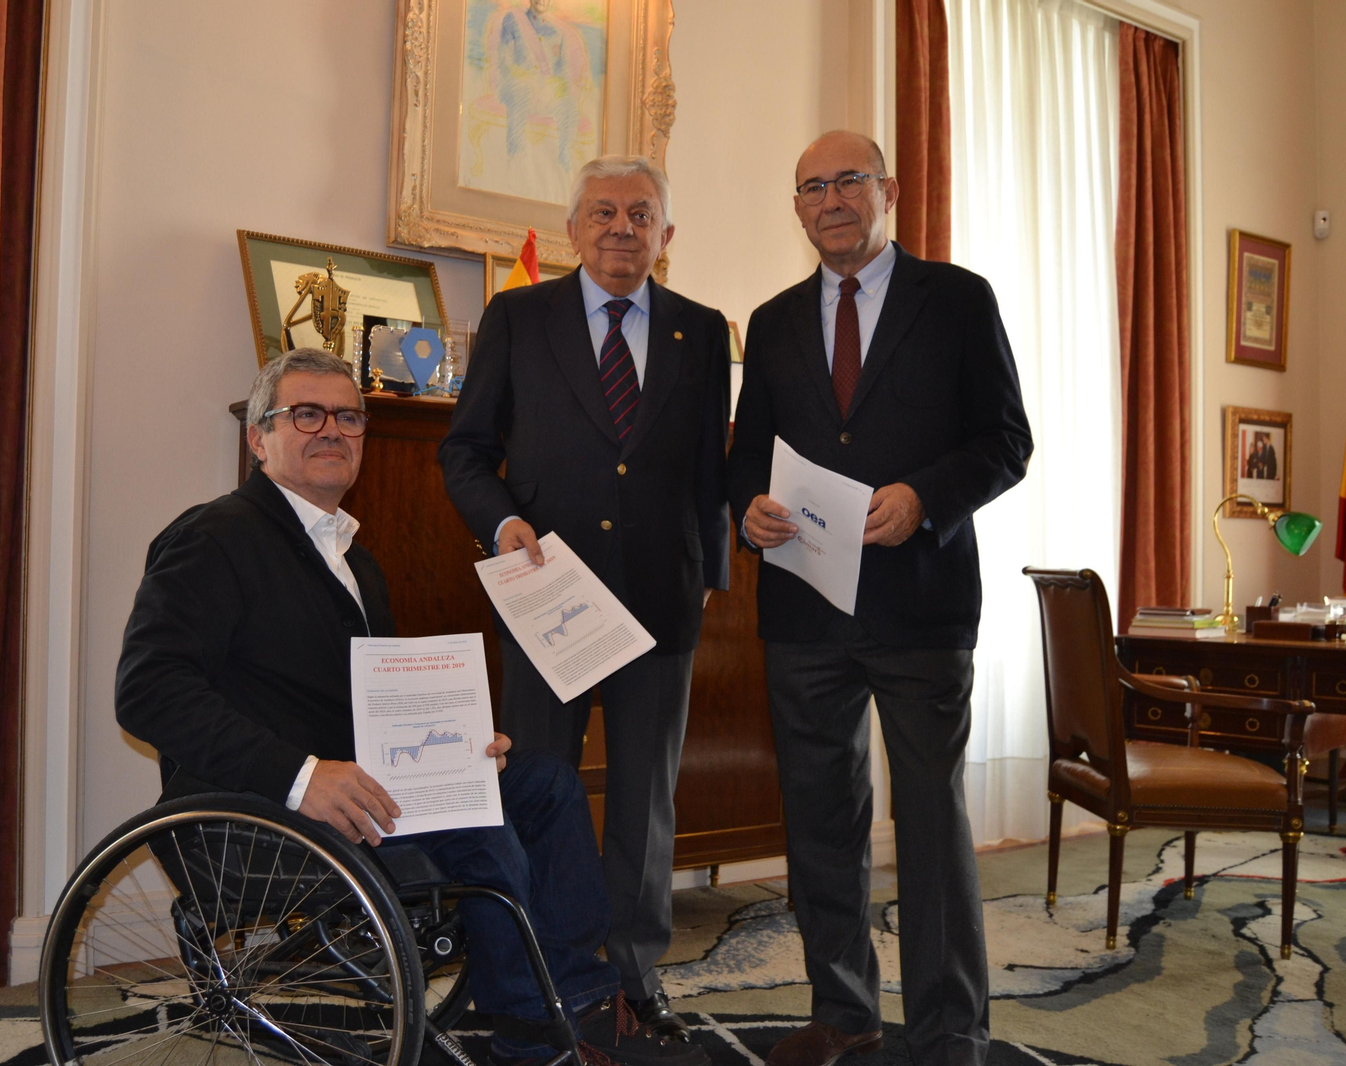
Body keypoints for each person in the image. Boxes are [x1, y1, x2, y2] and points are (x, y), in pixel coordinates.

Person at [115, 349, 708, 1066]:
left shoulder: (357, 561)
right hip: (262, 810)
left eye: (348, 416)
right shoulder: (213, 536)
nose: (331, 429)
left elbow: (381, 702)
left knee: (546, 783)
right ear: (258, 438)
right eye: (305, 413)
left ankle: (577, 1005)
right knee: (471, 818)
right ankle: (537, 1035)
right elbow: (147, 690)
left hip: (366, 787)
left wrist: (455, 736)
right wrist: (304, 776)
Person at [726, 131, 1033, 1066]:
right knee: (820, 819)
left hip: (921, 605)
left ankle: (950, 1031)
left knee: (932, 823)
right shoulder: (772, 321)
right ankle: (843, 1011)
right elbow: (747, 455)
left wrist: (925, 498)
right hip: (806, 609)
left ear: (887, 190)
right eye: (810, 186)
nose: (830, 200)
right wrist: (749, 515)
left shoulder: (958, 299)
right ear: (798, 208)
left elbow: (1006, 441)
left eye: (847, 180)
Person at [439, 155, 731, 1041]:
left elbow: (710, 476)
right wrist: (501, 525)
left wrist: (707, 580)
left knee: (646, 804)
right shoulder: (518, 316)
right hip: (546, 608)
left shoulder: (702, 329)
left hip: (658, 608)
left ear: (666, 236)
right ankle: (528, 975)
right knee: (538, 791)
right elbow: (464, 451)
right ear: (573, 230)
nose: (621, 228)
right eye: (602, 212)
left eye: (641, 214)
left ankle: (634, 979)